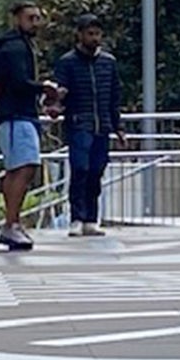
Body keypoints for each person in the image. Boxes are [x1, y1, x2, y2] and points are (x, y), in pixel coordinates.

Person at [0, 0, 61, 250]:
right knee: (24, 167)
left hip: (21, 113)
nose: (35, 23)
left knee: (18, 168)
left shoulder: (21, 46)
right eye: (30, 18)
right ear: (17, 19)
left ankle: (12, 222)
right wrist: (44, 87)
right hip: (14, 116)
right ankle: (11, 223)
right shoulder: (14, 49)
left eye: (38, 17)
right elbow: (18, 82)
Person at [52, 14, 126, 237]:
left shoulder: (108, 63)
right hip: (78, 123)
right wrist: (56, 104)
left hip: (102, 125)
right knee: (80, 168)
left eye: (97, 34)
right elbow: (59, 92)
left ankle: (91, 218)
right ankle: (77, 217)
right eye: (90, 33)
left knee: (96, 170)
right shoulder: (67, 62)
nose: (94, 38)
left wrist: (118, 126)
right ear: (80, 34)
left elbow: (114, 96)